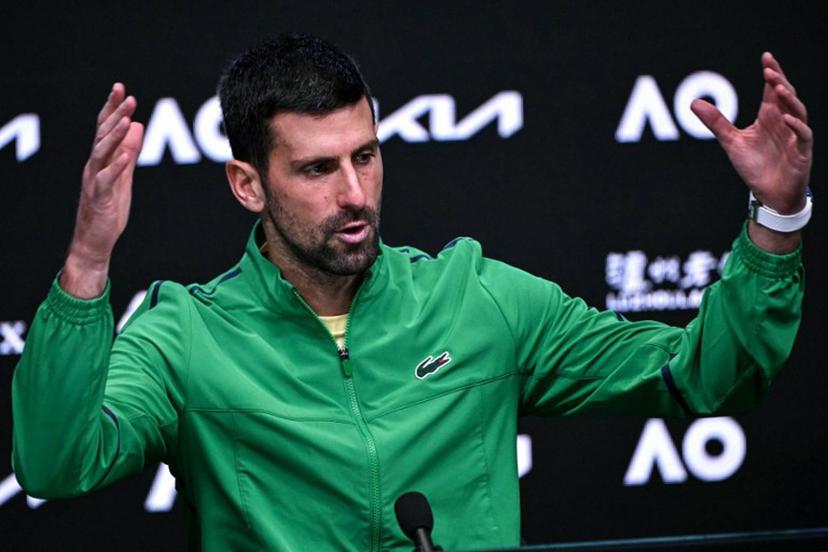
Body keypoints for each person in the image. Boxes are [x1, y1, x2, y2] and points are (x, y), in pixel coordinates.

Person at [11, 33, 812, 551]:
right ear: (247, 184)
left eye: (366, 155)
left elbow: (702, 376)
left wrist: (778, 217)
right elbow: (56, 465)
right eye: (318, 169)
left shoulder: (475, 298)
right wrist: (87, 261)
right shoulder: (183, 335)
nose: (355, 192)